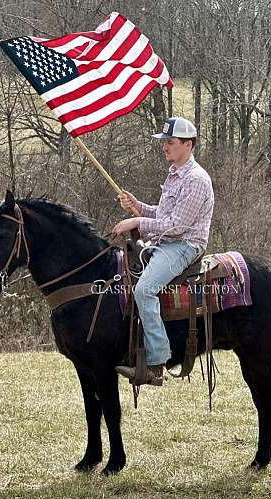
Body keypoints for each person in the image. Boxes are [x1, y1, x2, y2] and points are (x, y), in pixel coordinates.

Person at [112, 117, 214, 386]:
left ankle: (157, 363)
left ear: (188, 145)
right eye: (164, 142)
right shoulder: (175, 174)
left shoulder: (196, 180)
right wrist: (138, 206)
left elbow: (177, 226)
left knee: (144, 290)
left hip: (183, 246)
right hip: (166, 242)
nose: (165, 147)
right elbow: (163, 214)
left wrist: (136, 222)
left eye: (170, 142)